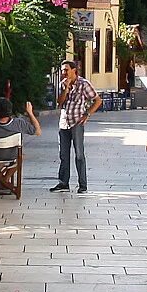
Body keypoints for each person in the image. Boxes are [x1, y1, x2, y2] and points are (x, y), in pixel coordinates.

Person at [51, 61, 98, 194]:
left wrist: (87, 114)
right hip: (64, 123)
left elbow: (98, 100)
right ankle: (63, 183)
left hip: (77, 122)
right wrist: (65, 89)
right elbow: (59, 103)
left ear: (74, 70)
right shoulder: (62, 84)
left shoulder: (84, 84)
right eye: (62, 70)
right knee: (63, 155)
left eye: (66, 70)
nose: (63, 73)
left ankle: (82, 185)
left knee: (79, 155)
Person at [0, 98, 38, 195]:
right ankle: (4, 179)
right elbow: (37, 131)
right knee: (21, 156)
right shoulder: (19, 123)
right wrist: (30, 112)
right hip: (12, 156)